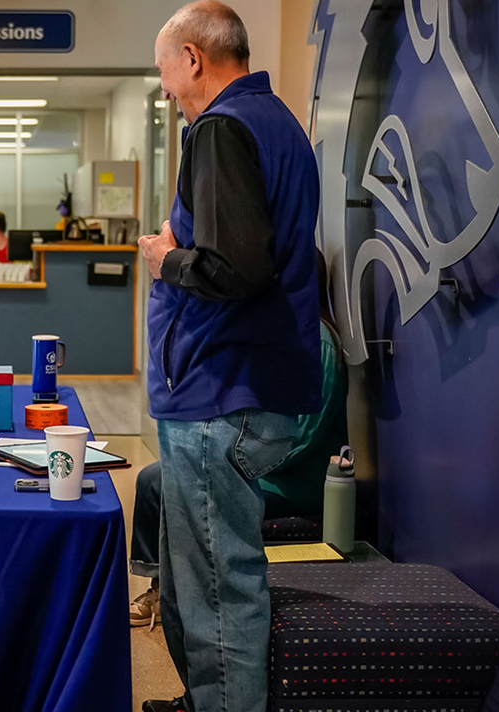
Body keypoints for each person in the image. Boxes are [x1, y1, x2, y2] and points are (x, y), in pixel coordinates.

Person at [136, 4, 322, 711]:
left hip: (227, 390)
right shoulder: (274, 121)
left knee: (219, 585)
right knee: (192, 572)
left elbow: (232, 266)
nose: (164, 88)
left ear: (192, 58)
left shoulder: (221, 127)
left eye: (164, 71)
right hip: (238, 387)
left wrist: (166, 257)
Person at [129, 249, 348, 629]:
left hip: (290, 481)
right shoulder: (277, 336)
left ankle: (176, 593)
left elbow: (302, 440)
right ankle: (163, 586)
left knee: (164, 480)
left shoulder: (318, 343)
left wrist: (229, 462)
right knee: (155, 478)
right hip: (252, 461)